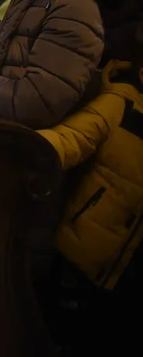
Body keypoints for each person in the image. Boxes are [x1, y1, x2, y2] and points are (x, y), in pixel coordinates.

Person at [37, 29, 143, 354]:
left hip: (131, 273)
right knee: (61, 333)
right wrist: (18, 149)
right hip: (85, 257)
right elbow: (70, 138)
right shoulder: (122, 103)